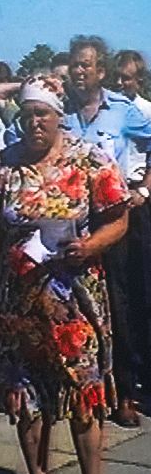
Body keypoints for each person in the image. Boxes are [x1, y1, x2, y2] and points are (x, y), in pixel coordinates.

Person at [0, 73, 129, 474]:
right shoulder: (3, 164)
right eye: (28, 114)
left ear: (58, 115)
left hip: (75, 302)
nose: (35, 123)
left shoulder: (90, 159)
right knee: (25, 396)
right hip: (19, 303)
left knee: (83, 392)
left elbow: (119, 218)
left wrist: (90, 246)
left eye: (43, 114)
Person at [65, 36, 151, 426]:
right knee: (71, 307)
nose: (79, 71)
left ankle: (125, 392)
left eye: (87, 65)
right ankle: (77, 388)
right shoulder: (57, 108)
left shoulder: (123, 111)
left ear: (102, 72)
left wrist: (144, 188)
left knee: (118, 307)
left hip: (110, 221)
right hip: (65, 221)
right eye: (75, 64)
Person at [112, 50, 151, 412]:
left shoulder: (145, 112)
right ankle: (124, 388)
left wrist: (145, 190)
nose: (123, 84)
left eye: (129, 78)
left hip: (140, 205)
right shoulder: (108, 111)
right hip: (109, 205)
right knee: (117, 296)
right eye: (118, 78)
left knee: (144, 292)